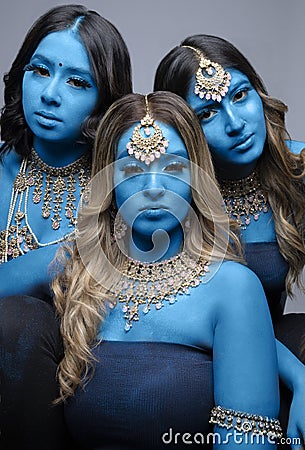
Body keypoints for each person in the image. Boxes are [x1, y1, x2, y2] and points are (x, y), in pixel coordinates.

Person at [53, 91, 282, 449]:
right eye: (131, 169)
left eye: (173, 167)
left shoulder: (233, 289)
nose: (154, 189)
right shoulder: (83, 280)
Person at [153, 34, 305, 445]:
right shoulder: (171, 193)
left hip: (281, 342)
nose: (236, 123)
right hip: (197, 352)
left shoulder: (297, 170)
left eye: (241, 95)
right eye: (208, 113)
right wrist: (300, 377)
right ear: (185, 131)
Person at [0, 4, 132, 449]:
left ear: (105, 99)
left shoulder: (127, 183)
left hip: (96, 377)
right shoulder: (2, 172)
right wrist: (63, 255)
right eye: (39, 71)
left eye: (77, 81)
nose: (50, 94)